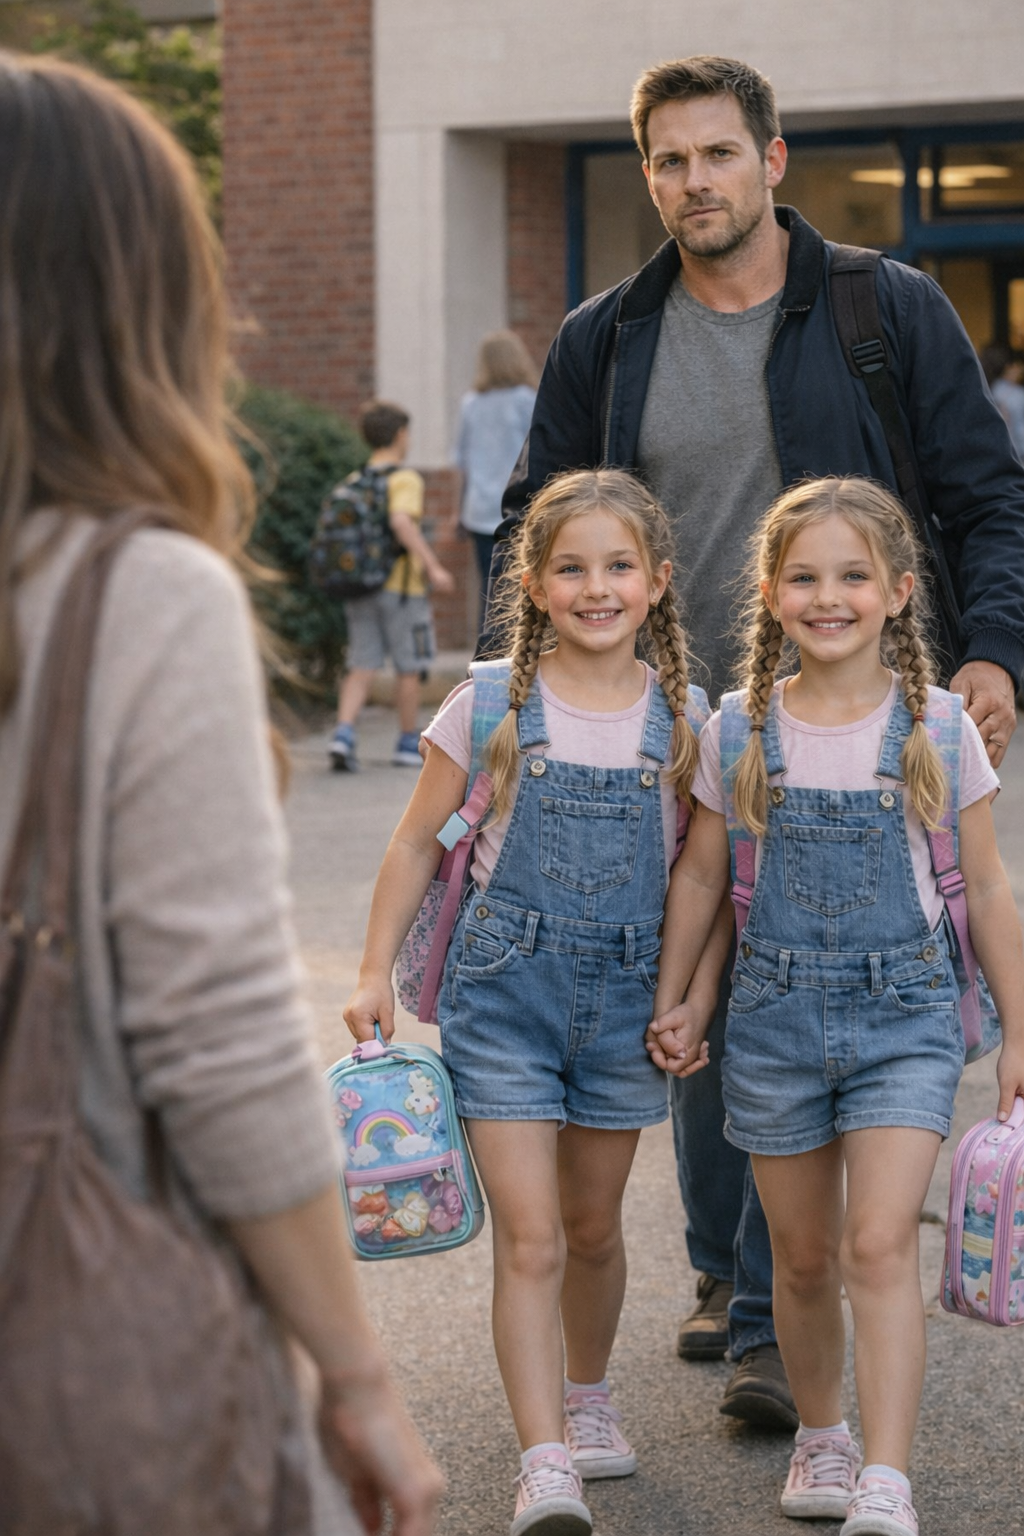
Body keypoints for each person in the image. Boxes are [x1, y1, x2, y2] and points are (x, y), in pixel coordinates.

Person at [493, 52, 1024, 1429]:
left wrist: (993, 649)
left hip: (861, 705)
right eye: (669, 160)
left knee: (843, 963)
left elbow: (986, 495)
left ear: (772, 160)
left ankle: (774, 1301)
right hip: (682, 722)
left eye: (718, 153)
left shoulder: (877, 307)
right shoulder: (607, 337)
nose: (695, 181)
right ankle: (741, 1287)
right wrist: (529, 701)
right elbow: (532, 517)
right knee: (703, 974)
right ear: (648, 175)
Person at [0, 52, 442, 1536]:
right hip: (76, 1323)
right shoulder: (127, 594)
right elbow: (223, 1046)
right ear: (134, 295)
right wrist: (356, 1373)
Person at [345, 468, 722, 1536]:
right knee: (530, 1236)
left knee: (592, 1229)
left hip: (626, 1001)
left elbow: (706, 879)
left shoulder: (686, 720)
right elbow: (414, 844)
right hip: (503, 993)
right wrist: (370, 971)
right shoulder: (489, 705)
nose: (595, 588)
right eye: (571, 568)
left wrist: (687, 997)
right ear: (535, 583)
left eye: (618, 567)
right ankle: (543, 1457)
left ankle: (587, 1397)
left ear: (656, 581)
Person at [648, 475, 1024, 1536]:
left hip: (905, 1018)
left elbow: (987, 886)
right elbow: (703, 876)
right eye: (804, 578)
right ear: (771, 594)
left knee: (877, 1245)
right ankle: (824, 1434)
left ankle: (888, 1474)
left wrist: (1020, 1033)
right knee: (802, 1257)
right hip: (771, 1022)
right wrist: (681, 998)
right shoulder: (738, 729)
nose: (828, 598)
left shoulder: (939, 727)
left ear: (898, 591)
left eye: (853, 576)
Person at [329, 400, 454, 772]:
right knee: (408, 666)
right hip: (401, 589)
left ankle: (343, 734)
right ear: (400, 434)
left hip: (360, 585)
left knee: (362, 663)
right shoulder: (404, 479)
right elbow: (401, 522)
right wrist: (433, 566)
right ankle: (406, 742)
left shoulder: (355, 480)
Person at [453, 330, 538, 628]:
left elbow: (461, 463)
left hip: (478, 509)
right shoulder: (527, 400)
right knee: (519, 590)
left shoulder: (471, 403)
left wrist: (457, 511)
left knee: (488, 592)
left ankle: (487, 651)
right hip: (519, 508)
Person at [980, 344, 1024, 460]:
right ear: (1007, 367)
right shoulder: (1017, 395)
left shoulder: (986, 390)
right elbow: (1020, 431)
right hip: (1015, 454)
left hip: (990, 452)